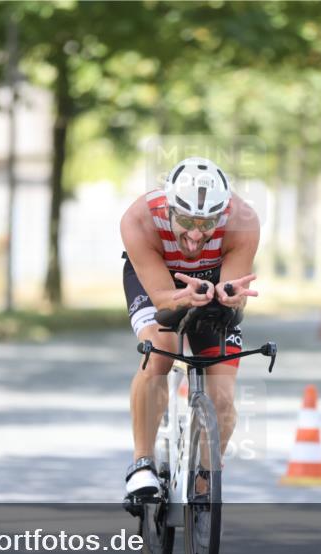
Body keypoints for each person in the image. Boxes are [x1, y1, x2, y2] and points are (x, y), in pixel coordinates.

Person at [119, 157, 260, 500]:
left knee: (222, 396)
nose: (196, 235)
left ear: (222, 214)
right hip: (158, 279)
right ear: (168, 208)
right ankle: (142, 463)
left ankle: (203, 483)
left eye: (207, 223)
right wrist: (179, 298)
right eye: (185, 220)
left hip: (212, 280)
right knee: (160, 354)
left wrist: (231, 298)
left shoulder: (244, 221)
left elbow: (233, 294)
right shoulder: (138, 219)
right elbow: (164, 300)